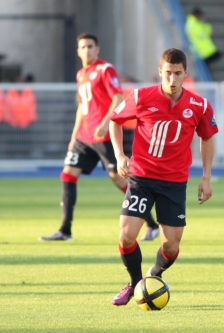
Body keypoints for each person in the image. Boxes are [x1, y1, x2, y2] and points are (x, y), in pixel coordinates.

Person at [108, 48, 218, 306]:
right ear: (160, 72)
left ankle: (153, 277)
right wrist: (120, 156)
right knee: (125, 236)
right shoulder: (141, 97)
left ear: (185, 74)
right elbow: (115, 120)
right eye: (167, 73)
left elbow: (207, 137)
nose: (172, 79)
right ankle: (135, 284)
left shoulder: (199, 105)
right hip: (141, 178)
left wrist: (206, 177)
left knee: (171, 246)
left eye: (177, 74)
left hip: (174, 183)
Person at [39, 33, 158, 242]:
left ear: (97, 49)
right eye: (82, 47)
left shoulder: (105, 69)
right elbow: (82, 108)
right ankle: (65, 231)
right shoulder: (80, 74)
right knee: (67, 175)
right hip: (84, 137)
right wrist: (73, 136)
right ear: (78, 51)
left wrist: (105, 123)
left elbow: (117, 98)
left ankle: (152, 224)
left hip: (103, 137)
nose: (86, 50)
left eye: (90, 46)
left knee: (118, 178)